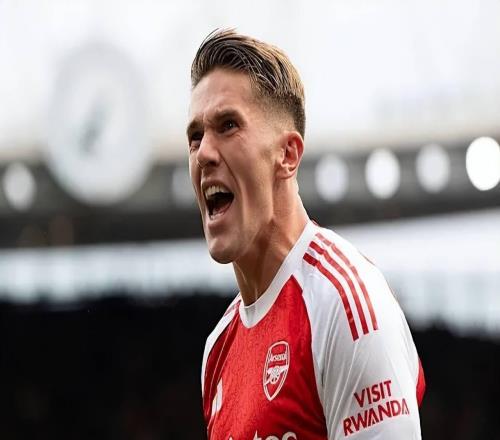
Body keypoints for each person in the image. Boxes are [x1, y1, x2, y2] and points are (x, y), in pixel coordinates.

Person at [187, 29, 425, 440]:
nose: (204, 153)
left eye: (227, 126)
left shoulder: (345, 305)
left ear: (288, 155)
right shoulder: (218, 349)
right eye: (195, 136)